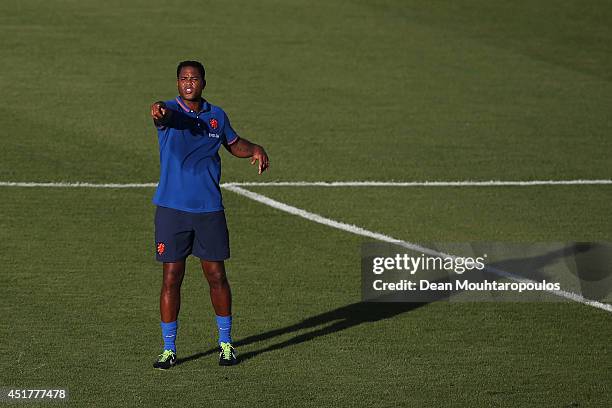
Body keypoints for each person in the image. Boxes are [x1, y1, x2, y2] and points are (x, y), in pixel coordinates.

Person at [149, 60, 269, 369]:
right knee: (171, 278)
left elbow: (233, 143)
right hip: (172, 211)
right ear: (178, 83)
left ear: (204, 82)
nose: (189, 82)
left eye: (194, 78)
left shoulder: (217, 116)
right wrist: (159, 111)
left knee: (216, 276)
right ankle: (168, 349)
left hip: (208, 210)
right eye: (183, 78)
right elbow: (164, 115)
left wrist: (255, 148)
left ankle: (226, 344)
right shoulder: (171, 116)